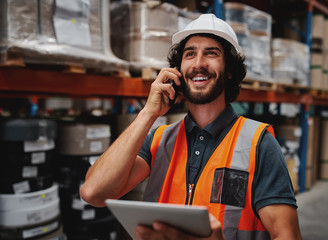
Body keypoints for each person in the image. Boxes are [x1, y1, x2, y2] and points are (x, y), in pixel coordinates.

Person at [80, 14, 302, 240]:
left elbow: (287, 235)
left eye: (211, 53)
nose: (198, 64)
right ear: (178, 72)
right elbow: (93, 193)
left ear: (229, 71)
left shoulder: (259, 143)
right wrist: (148, 113)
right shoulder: (158, 140)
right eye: (190, 54)